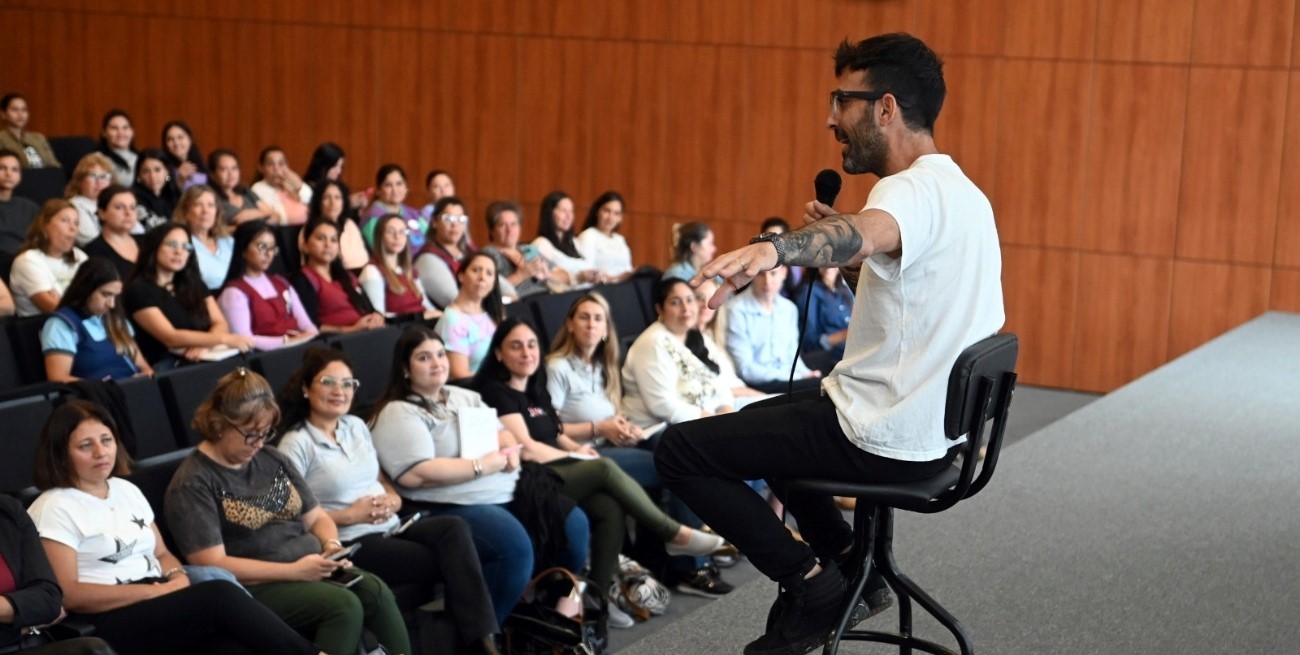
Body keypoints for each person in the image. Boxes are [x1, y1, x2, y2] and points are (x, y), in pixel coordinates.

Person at [654, 34, 1005, 655]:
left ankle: (811, 583)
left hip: (881, 436)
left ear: (885, 108)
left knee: (682, 451)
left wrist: (775, 248)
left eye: (841, 100)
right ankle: (850, 569)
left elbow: (866, 232)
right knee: (764, 425)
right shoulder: (964, 195)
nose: (829, 118)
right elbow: (906, 285)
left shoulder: (905, 191)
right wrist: (847, 263)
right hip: (934, 438)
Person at [476, 318, 732, 621]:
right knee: (604, 468)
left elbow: (555, 433)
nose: (526, 353)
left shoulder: (535, 388)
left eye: (531, 345)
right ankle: (674, 533)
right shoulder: (496, 393)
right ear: (498, 354)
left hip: (560, 468)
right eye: (515, 346)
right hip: (531, 479)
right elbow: (527, 448)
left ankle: (593, 600)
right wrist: (583, 459)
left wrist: (575, 448)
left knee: (609, 509)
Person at [28, 400, 324, 655]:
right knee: (218, 595)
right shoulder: (54, 507)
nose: (101, 452)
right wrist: (152, 593)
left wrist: (177, 576)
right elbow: (68, 593)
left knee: (235, 648)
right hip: (109, 617)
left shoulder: (125, 489)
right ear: (61, 453)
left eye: (106, 440)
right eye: (85, 445)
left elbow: (162, 553)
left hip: (159, 599)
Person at [165, 369, 410, 655]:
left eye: (265, 433)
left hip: (308, 565)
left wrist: (331, 546)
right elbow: (213, 564)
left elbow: (317, 517)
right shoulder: (193, 481)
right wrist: (294, 571)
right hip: (255, 585)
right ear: (219, 425)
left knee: (376, 592)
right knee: (343, 606)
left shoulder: (272, 458)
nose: (259, 443)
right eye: (251, 435)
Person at [275, 347, 501, 654]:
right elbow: (293, 519)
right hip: (353, 540)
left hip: (393, 524)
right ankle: (476, 645)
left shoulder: (355, 425)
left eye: (347, 384)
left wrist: (393, 500)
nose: (339, 391)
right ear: (305, 388)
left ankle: (482, 642)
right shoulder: (295, 444)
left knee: (454, 529)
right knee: (455, 562)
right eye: (328, 382)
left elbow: (381, 481)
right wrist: (351, 515)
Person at [366, 325, 581, 626]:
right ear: (405, 368)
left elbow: (503, 433)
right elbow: (416, 474)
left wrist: (509, 450)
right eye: (424, 358)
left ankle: (544, 618)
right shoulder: (398, 412)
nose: (438, 363)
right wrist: (483, 466)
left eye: (441, 354)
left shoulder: (463, 396)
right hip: (448, 504)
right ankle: (481, 637)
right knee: (514, 548)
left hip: (504, 490)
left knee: (574, 524)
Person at [1, 493, 116, 655]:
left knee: (93, 650)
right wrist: (25, 625)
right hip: (18, 638)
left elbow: (49, 600)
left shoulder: (7, 510)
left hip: (25, 644)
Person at [126, 224, 254, 368]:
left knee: (248, 360)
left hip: (205, 354)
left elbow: (220, 323)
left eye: (186, 247)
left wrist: (205, 346)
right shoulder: (138, 290)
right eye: (172, 244)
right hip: (170, 363)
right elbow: (171, 338)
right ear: (154, 247)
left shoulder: (192, 282)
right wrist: (222, 339)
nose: (178, 252)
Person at [622, 277, 736, 430]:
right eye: (675, 302)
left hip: (705, 420)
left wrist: (727, 414)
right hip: (660, 428)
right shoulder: (652, 343)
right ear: (659, 309)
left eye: (690, 300)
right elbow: (662, 405)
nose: (686, 308)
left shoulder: (696, 336)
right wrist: (716, 423)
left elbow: (721, 385)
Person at [41, 257, 152, 382]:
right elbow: (58, 378)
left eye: (116, 296)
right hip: (96, 396)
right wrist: (105, 388)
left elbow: (143, 367)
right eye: (106, 295)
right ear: (86, 290)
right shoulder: (62, 324)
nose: (112, 304)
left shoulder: (115, 318)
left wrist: (147, 376)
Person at [218, 221, 318, 350]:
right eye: (261, 246)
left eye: (272, 248)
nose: (269, 254)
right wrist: (286, 341)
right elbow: (243, 340)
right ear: (243, 250)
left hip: (297, 349)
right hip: (264, 360)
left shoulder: (281, 283)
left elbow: (309, 327)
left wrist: (304, 337)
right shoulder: (234, 292)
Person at [724, 265, 823, 393]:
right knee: (819, 387)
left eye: (773, 274)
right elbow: (745, 369)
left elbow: (792, 355)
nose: (767, 281)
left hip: (789, 379)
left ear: (784, 273)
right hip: (758, 383)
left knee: (826, 382)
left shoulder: (789, 309)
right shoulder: (736, 310)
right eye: (761, 274)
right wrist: (797, 378)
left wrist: (807, 374)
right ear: (751, 275)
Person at [291, 218, 384, 334]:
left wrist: (377, 316)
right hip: (337, 342)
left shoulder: (347, 276)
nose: (328, 245)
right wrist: (350, 330)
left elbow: (369, 308)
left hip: (368, 333)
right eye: (320, 238)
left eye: (334, 240)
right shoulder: (302, 279)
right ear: (305, 246)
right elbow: (309, 326)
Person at [9, 200, 88, 316]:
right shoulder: (28, 260)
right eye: (65, 221)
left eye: (76, 223)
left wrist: (64, 299)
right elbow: (56, 308)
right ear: (45, 225)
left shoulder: (79, 256)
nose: (73, 228)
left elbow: (98, 298)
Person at [434, 252, 503, 380]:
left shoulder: (494, 314)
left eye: (489, 273)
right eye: (476, 270)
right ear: (461, 276)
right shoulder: (453, 318)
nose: (482, 277)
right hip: (470, 391)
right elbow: (460, 375)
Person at [358, 213, 440, 320]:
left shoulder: (409, 270)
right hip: (402, 330)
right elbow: (379, 318)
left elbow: (427, 306)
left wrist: (440, 315)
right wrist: (419, 317)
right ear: (380, 236)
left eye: (402, 232)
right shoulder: (372, 271)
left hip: (423, 325)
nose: (397, 237)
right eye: (390, 231)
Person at [479, 200, 557, 300]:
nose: (509, 230)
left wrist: (547, 274)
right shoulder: (487, 255)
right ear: (492, 230)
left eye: (514, 224)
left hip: (545, 296)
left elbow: (565, 276)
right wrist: (521, 275)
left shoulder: (527, 249)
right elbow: (487, 290)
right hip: (520, 302)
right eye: (503, 225)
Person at [414, 196, 474, 308]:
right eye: (448, 219)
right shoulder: (428, 259)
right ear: (435, 222)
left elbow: (496, 280)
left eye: (461, 219)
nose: (455, 224)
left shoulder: (468, 251)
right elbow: (455, 302)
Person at [532, 191, 601, 285]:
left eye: (571, 211)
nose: (568, 216)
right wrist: (579, 277)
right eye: (563, 211)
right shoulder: (541, 244)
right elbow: (542, 279)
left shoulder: (574, 242)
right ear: (549, 213)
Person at [175, 185, 234, 291]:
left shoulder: (228, 241)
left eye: (211, 205)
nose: (205, 211)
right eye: (198, 205)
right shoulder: (182, 244)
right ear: (186, 212)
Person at [302, 179, 367, 272]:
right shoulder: (311, 228)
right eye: (327, 197)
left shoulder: (349, 224)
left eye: (337, 197)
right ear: (319, 202)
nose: (333, 202)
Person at [361, 165, 426, 251]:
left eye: (399, 184)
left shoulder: (412, 213)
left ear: (406, 188)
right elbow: (381, 251)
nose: (395, 190)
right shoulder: (373, 217)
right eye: (388, 185)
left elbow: (430, 239)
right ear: (378, 191)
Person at [800, 267, 854, 372]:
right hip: (832, 358)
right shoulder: (810, 291)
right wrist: (843, 335)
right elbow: (808, 341)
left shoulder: (845, 290)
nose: (828, 265)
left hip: (852, 350)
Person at [81, 185, 139, 280]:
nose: (128, 213)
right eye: (119, 207)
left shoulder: (147, 241)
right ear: (102, 213)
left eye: (132, 207)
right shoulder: (93, 253)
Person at [575, 191, 634, 283]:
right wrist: (616, 278)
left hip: (624, 287)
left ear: (620, 218)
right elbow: (586, 273)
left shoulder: (620, 240)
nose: (611, 217)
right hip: (600, 289)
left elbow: (628, 269)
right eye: (607, 211)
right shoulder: (588, 236)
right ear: (597, 212)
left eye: (616, 213)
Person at [208, 149, 276, 225]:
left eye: (234, 168)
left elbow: (274, 216)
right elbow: (214, 231)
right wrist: (239, 227)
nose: (231, 174)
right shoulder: (211, 198)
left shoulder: (245, 191)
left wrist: (251, 215)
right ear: (212, 174)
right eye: (224, 169)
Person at [64, 154, 116, 247]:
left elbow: (139, 232)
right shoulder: (75, 205)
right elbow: (91, 241)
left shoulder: (116, 203)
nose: (99, 182)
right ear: (80, 181)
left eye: (104, 176)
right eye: (93, 175)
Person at [250, 146, 311, 226]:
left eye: (281, 164)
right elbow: (274, 218)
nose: (276, 169)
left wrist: (300, 187)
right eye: (270, 164)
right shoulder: (257, 189)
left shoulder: (293, 182)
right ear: (261, 168)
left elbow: (313, 201)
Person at [0, 94, 59, 168]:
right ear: (3, 114)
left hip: (45, 176)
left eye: (24, 110)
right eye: (15, 109)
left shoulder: (38, 138)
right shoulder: (1, 138)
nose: (20, 114)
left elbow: (54, 165)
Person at [0, 148, 40, 254]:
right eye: (2, 168)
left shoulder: (30, 208)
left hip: (24, 259)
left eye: (15, 169)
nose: (9, 174)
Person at [131, 149, 180, 232]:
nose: (152, 176)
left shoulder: (176, 195)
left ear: (167, 171)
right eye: (146, 171)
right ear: (139, 175)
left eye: (157, 170)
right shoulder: (133, 198)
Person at [759, 217, 805, 297]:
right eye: (769, 238)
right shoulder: (757, 263)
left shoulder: (795, 267)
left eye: (777, 239)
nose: (773, 243)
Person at [160, 121, 209, 191]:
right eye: (170, 139)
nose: (176, 143)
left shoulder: (201, 163)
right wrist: (180, 180)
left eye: (180, 137)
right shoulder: (163, 168)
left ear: (190, 139)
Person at [96, 109, 138, 187]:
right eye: (114, 128)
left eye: (125, 128)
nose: (120, 133)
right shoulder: (97, 159)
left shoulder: (140, 158)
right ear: (104, 133)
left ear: (132, 132)